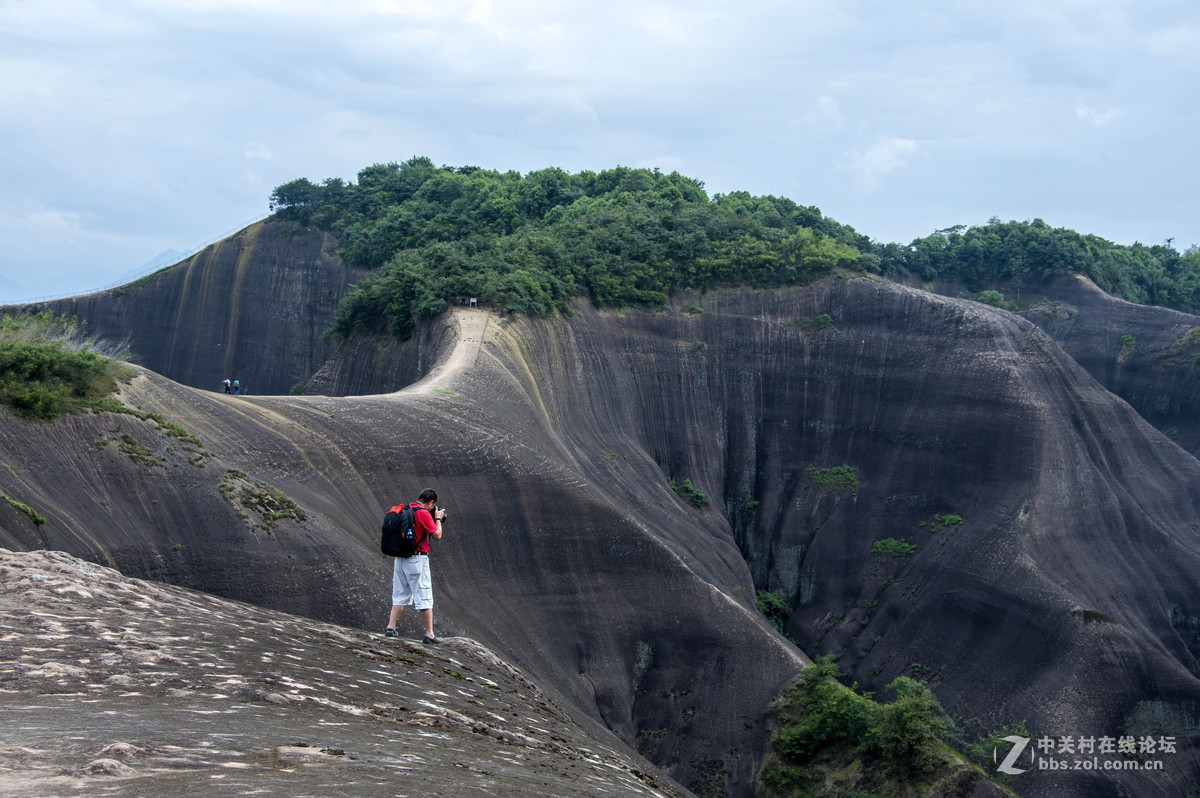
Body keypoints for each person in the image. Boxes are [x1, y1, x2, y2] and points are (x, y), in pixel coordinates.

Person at [385, 488, 446, 643]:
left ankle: (391, 628)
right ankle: (429, 634)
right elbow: (437, 535)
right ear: (431, 502)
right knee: (423, 595)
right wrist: (437, 518)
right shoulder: (423, 514)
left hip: (400, 559)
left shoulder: (406, 510)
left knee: (400, 594)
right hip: (417, 560)